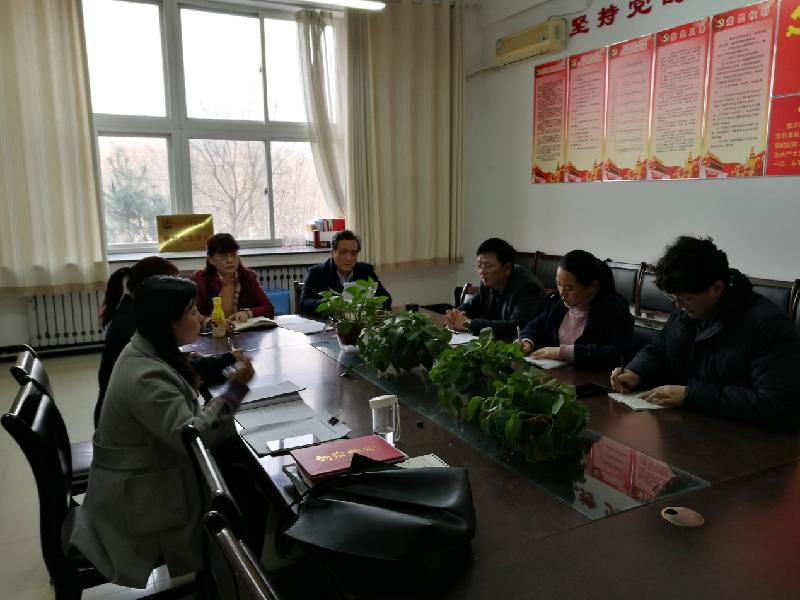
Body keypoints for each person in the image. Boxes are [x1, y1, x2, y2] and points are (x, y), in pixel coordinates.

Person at [71, 276, 258, 588]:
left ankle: (235, 572)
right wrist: (236, 389)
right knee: (244, 496)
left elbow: (187, 368)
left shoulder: (148, 348)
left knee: (237, 471)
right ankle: (241, 583)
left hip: (147, 466)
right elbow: (195, 439)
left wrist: (220, 366)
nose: (200, 317)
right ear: (167, 322)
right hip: (141, 495)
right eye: (191, 311)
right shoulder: (145, 375)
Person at [610, 236, 800, 428]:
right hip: (685, 425)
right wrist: (636, 371)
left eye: (685, 299)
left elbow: (776, 404)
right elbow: (660, 347)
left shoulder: (767, 325)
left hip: (741, 436)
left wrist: (690, 395)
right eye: (673, 298)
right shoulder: (688, 307)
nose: (678, 306)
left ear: (717, 287)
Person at [96, 256, 180, 426]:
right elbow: (169, 368)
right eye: (174, 286)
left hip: (121, 411)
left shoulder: (131, 310)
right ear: (153, 288)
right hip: (124, 423)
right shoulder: (136, 325)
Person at [518, 250, 633, 369]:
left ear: (592, 286)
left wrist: (562, 352)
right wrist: (528, 341)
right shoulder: (556, 301)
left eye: (569, 288)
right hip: (555, 373)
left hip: (592, 376)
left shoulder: (613, 311)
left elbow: (615, 354)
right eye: (559, 284)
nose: (562, 293)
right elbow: (537, 324)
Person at [444, 238, 546, 338]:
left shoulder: (528, 287)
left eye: (487, 266)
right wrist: (454, 315)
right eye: (479, 266)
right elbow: (472, 306)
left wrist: (467, 324)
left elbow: (516, 328)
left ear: (506, 268)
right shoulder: (487, 282)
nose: (482, 271)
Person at [300, 229, 392, 315]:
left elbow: (386, 299)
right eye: (343, 252)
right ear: (332, 253)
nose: (349, 258)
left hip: (360, 322)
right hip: (330, 323)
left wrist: (369, 304)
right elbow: (304, 304)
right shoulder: (317, 272)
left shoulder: (366, 270)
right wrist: (331, 304)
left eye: (353, 253)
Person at [191, 233, 274, 324]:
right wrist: (211, 322)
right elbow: (190, 315)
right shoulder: (199, 280)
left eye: (233, 254)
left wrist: (247, 313)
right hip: (212, 331)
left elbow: (268, 308)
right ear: (210, 259)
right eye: (223, 256)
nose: (230, 260)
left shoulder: (248, 276)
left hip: (242, 330)